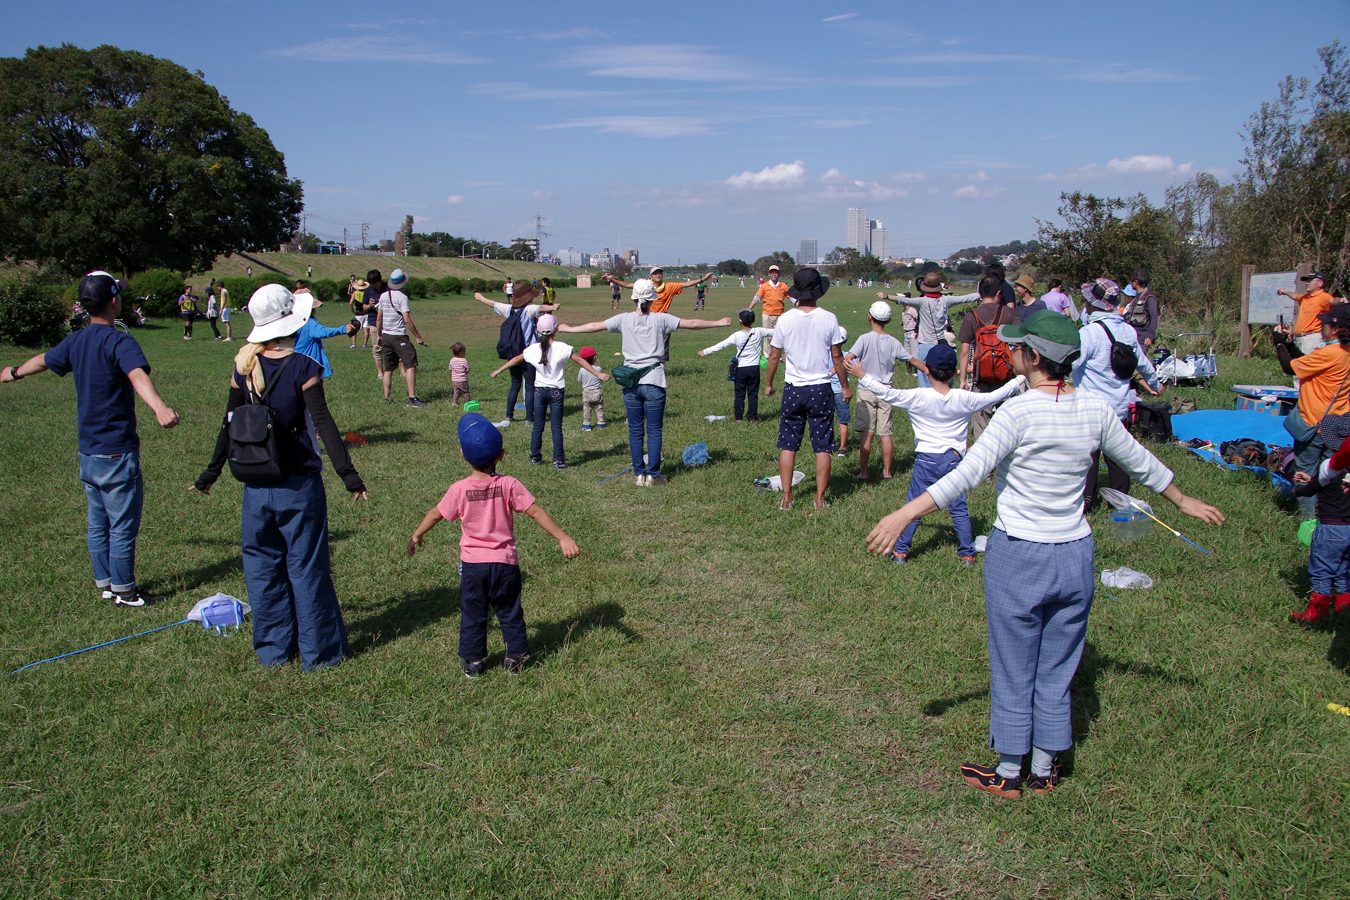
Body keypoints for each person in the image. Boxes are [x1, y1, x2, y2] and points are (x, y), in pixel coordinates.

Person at [863, 311, 1224, 798]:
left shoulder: (1017, 412)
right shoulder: (1096, 409)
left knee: (1014, 666)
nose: (1007, 353)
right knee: (1057, 667)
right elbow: (1140, 463)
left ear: (1033, 358)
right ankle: (1046, 768)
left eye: (1014, 348)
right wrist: (1184, 502)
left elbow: (966, 474)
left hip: (1020, 557)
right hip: (1075, 556)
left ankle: (1010, 772)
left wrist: (904, 515)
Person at [190, 284, 367, 670]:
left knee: (261, 567)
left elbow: (229, 424)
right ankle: (320, 654)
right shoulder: (303, 366)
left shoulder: (245, 365)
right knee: (306, 567)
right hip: (298, 486)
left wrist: (211, 472)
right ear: (293, 320)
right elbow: (324, 423)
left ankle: (274, 650)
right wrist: (349, 476)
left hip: (255, 486)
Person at [2, 272, 179, 607]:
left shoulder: (77, 340)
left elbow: (42, 360)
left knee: (97, 521)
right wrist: (160, 407)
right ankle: (125, 591)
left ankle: (105, 583)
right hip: (116, 451)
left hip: (89, 451)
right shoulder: (119, 341)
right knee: (122, 526)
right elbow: (136, 374)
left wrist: (13, 372)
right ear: (114, 301)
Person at [407, 413, 579, 677]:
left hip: (473, 567)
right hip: (505, 564)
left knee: (473, 614)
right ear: (501, 455)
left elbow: (435, 514)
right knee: (509, 611)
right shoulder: (509, 484)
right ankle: (515, 659)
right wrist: (562, 537)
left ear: (463, 455)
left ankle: (474, 663)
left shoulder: (459, 489)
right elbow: (535, 512)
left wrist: (417, 534)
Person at [845, 344, 1027, 566]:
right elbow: (998, 394)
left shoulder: (917, 396)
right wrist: (1019, 379)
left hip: (926, 461)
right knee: (959, 509)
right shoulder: (965, 398)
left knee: (914, 507)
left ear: (926, 371)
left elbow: (887, 393)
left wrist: (863, 375)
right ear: (954, 373)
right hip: (955, 460)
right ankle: (967, 555)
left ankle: (901, 553)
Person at [558, 279, 729, 486]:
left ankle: (639, 474)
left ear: (633, 299)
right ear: (652, 299)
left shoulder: (623, 319)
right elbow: (691, 323)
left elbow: (595, 327)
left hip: (630, 383)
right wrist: (719, 323)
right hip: (654, 382)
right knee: (654, 431)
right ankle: (654, 476)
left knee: (636, 430)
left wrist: (569, 329)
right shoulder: (661, 319)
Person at [763, 268, 849, 510]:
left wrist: (769, 383)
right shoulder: (829, 318)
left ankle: (787, 497)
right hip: (821, 388)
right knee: (822, 446)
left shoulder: (786, 319)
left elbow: (774, 356)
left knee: (788, 444)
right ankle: (820, 499)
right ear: (817, 291)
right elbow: (837, 357)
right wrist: (843, 386)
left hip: (794, 389)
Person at [1074, 284, 1161, 510]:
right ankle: (1121, 503)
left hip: (1090, 406)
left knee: (1088, 457)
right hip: (1119, 404)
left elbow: (1071, 362)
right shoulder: (1128, 331)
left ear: (1093, 304)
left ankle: (1086, 502)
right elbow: (1143, 363)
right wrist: (1155, 384)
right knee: (1118, 456)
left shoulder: (1089, 333)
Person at [491, 314, 609, 468]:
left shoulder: (532, 349)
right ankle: (558, 460)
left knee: (538, 426)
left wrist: (498, 370)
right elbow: (580, 360)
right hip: (556, 393)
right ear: (555, 330)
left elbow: (514, 360)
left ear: (538, 331)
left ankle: (535, 457)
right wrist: (598, 374)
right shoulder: (561, 347)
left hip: (539, 392)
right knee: (556, 427)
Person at [1273, 303, 1350, 519]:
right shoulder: (1343, 352)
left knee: (1304, 472)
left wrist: (1278, 343)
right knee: (1332, 472)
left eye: (1325, 324)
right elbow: (1305, 363)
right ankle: (1332, 516)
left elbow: (1289, 368)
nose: (1321, 326)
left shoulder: (1330, 352)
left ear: (1336, 329)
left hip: (1316, 424)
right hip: (1339, 422)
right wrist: (1290, 345)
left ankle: (1307, 522)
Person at [847, 301, 926, 481]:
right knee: (885, 434)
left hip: (866, 390)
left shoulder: (864, 339)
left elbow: (849, 359)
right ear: (889, 320)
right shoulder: (893, 342)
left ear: (869, 316)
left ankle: (864, 473)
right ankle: (887, 472)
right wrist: (929, 370)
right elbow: (912, 360)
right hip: (886, 392)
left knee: (867, 434)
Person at [477, 283, 559, 427]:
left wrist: (481, 298)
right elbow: (540, 308)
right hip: (529, 354)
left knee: (515, 384)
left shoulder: (508, 309)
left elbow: (494, 304)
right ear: (527, 298)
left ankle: (509, 416)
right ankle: (529, 418)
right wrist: (552, 307)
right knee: (529, 386)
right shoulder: (528, 309)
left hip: (512, 354)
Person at [881, 273, 977, 388]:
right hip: (941, 344)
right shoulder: (946, 300)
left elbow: (903, 300)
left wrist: (886, 296)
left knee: (924, 380)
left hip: (925, 345)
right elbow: (966, 298)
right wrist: (985, 293)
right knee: (942, 378)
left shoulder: (922, 301)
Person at [958, 276, 1021, 440]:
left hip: (982, 376)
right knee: (1009, 419)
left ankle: (984, 457)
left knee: (980, 421)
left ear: (979, 293)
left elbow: (964, 351)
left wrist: (963, 379)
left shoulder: (971, 316)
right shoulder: (1009, 313)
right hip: (1006, 376)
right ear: (999, 293)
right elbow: (1020, 344)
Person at [698, 309, 771, 423]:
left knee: (739, 395)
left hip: (741, 369)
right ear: (754, 321)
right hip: (754, 369)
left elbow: (721, 345)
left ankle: (738, 418)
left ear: (740, 321)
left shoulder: (736, 336)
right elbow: (775, 332)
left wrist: (705, 351)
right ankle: (752, 418)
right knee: (753, 395)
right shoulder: (759, 331)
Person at [375, 269, 429, 406]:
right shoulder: (402, 297)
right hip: (399, 336)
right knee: (411, 364)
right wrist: (418, 336)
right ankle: (412, 398)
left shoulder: (383, 296)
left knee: (388, 369)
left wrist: (379, 335)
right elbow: (407, 320)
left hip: (386, 336)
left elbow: (379, 318)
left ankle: (387, 398)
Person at [292, 283, 358, 379]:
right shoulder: (308, 323)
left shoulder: (291, 323)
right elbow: (323, 332)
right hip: (309, 367)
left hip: (295, 364)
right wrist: (343, 329)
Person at [1279, 273, 1334, 355]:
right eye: (1307, 281)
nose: (1307, 283)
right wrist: (1285, 291)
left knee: (1308, 366)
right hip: (1299, 338)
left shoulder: (1323, 297)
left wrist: (1341, 301)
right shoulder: (1306, 297)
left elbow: (1333, 301)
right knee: (1298, 364)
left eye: (1310, 281)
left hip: (1311, 338)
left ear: (1320, 283)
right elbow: (1296, 296)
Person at [748, 264, 792, 356]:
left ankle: (777, 355)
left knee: (779, 336)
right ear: (769, 274)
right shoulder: (764, 286)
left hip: (780, 315)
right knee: (767, 336)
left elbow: (792, 298)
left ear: (779, 274)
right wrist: (749, 309)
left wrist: (800, 305)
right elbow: (757, 298)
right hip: (767, 314)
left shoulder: (783, 286)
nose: (774, 274)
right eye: (772, 273)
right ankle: (767, 355)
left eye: (776, 272)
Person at [1120, 270, 1161, 350]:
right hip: (1133, 338)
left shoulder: (1149, 298)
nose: (1131, 283)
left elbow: (1154, 318)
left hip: (1142, 340)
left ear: (1136, 282)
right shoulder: (1137, 297)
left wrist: (1150, 336)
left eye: (1131, 281)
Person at [830, 327, 852, 457]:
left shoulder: (825, 354)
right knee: (843, 420)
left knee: (828, 419)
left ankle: (829, 445)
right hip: (841, 391)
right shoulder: (847, 355)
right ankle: (842, 448)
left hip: (826, 390)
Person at [364, 270, 387, 380]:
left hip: (388, 321)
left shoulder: (388, 288)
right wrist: (370, 305)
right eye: (372, 283)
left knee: (393, 346)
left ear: (380, 279)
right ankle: (380, 373)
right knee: (377, 347)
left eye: (376, 282)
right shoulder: (368, 291)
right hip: (374, 322)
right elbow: (363, 307)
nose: (374, 285)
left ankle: (401, 371)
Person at [577, 346, 607, 431]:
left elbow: (579, 380)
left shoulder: (582, 370)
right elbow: (601, 378)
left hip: (587, 392)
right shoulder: (598, 369)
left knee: (587, 409)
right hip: (597, 391)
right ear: (594, 358)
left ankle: (587, 425)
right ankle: (601, 424)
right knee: (599, 408)